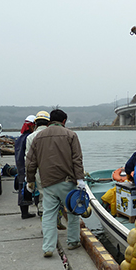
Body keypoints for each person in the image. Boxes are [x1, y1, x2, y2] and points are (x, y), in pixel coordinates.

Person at [25, 108, 84, 258]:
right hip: (67, 182)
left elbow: (30, 162)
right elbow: (77, 159)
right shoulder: (71, 135)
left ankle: (48, 248)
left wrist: (30, 180)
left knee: (49, 215)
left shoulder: (38, 137)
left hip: (48, 183)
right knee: (72, 212)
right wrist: (80, 179)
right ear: (64, 121)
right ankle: (72, 241)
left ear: (50, 120)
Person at [25, 111, 50, 217]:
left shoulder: (31, 137)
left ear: (35, 124)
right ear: (48, 123)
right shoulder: (53, 135)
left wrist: (29, 179)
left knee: (41, 195)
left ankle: (43, 215)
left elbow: (28, 160)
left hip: (39, 171)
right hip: (56, 170)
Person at [14, 115, 36, 219]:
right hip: (25, 166)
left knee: (22, 188)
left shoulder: (20, 138)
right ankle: (26, 212)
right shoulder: (29, 138)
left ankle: (24, 212)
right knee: (28, 188)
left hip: (20, 166)